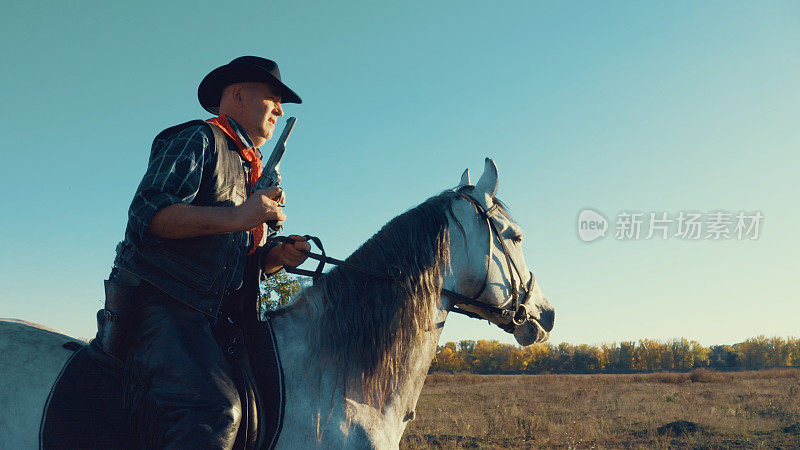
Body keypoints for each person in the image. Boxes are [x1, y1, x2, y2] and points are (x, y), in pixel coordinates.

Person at [96, 56, 310, 448]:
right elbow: (150, 216)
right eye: (273, 97)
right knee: (213, 410)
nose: (280, 109)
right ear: (240, 95)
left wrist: (275, 258)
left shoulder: (252, 169)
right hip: (162, 304)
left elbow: (228, 260)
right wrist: (240, 216)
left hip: (218, 317)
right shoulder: (198, 138)